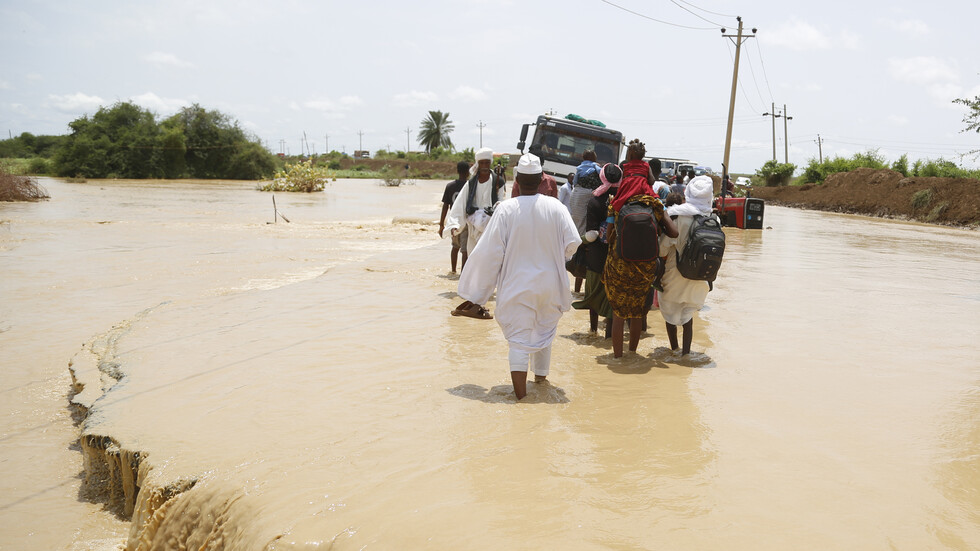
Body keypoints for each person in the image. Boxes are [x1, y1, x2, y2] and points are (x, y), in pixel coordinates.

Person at [456, 153, 582, 399]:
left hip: (517, 284)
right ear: (540, 179)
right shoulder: (556, 206)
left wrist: (476, 295)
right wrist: (554, 255)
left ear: (516, 181)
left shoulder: (506, 209)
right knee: (544, 329)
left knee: (519, 340)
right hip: (550, 284)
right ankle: (541, 382)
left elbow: (490, 254)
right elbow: (573, 243)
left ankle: (522, 399)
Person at [603, 139, 678, 358]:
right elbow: (674, 233)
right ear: (648, 176)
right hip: (644, 267)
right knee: (636, 313)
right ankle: (633, 355)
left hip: (620, 264)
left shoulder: (615, 204)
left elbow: (608, 238)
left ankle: (617, 359)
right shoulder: (654, 204)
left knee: (618, 315)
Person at [446, 147, 506, 319]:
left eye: (488, 162)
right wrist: (454, 224)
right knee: (473, 257)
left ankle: (484, 294)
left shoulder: (498, 181)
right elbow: (459, 204)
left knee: (489, 260)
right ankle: (473, 293)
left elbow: (501, 202)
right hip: (473, 228)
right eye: (482, 163)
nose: (485, 166)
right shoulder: (471, 183)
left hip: (491, 227)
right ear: (478, 164)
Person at [659, 176, 714, 355]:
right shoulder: (713, 220)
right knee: (688, 316)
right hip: (700, 278)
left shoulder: (678, 216)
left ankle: (674, 349)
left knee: (670, 312)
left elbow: (662, 249)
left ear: (688, 193)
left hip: (675, 275)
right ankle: (686, 354)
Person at [571, 163, 621, 337]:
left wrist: (580, 242)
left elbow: (592, 234)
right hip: (616, 258)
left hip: (596, 257)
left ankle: (593, 331)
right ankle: (609, 335)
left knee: (592, 295)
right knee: (611, 298)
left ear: (602, 177)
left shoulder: (595, 200)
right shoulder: (624, 199)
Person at [568, 150, 602, 293]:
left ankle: (576, 290)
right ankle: (589, 292)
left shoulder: (579, 168)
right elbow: (603, 179)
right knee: (586, 234)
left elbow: (575, 183)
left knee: (578, 225)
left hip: (576, 196)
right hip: (588, 195)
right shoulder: (596, 167)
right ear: (592, 157)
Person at [439, 161, 471, 273]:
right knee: (465, 250)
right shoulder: (470, 186)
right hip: (466, 222)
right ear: (468, 172)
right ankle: (463, 275)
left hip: (453, 221)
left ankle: (453, 271)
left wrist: (441, 225)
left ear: (457, 171)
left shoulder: (450, 186)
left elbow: (445, 206)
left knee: (455, 247)